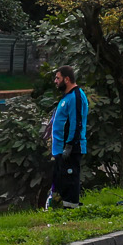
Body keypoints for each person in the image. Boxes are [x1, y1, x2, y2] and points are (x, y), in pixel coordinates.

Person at [47, 66, 88, 209]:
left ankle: (71, 210)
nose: (55, 81)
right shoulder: (67, 97)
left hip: (70, 148)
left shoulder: (76, 96)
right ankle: (61, 208)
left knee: (70, 180)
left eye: (58, 78)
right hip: (59, 149)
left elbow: (76, 122)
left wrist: (69, 145)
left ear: (67, 79)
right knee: (61, 180)